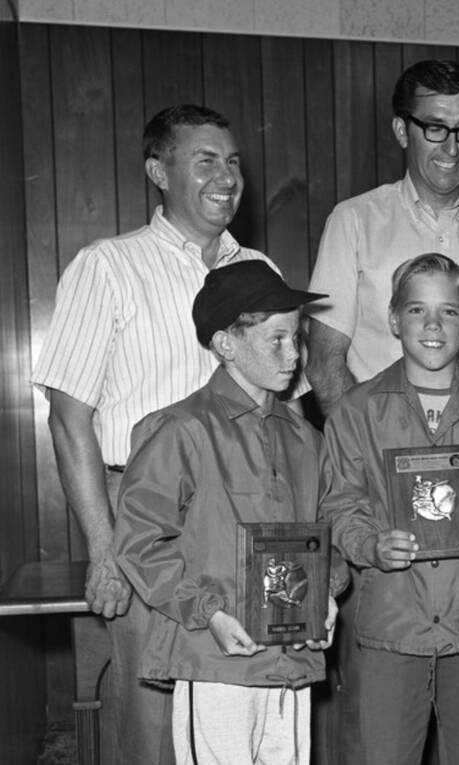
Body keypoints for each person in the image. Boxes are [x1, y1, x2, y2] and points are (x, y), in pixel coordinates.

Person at [30, 104, 276, 765]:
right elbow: (69, 415)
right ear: (156, 171)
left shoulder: (258, 268)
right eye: (205, 161)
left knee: (240, 701)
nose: (226, 177)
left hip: (246, 513)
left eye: (232, 162)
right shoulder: (108, 266)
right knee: (153, 712)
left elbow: (283, 410)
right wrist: (106, 548)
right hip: (148, 516)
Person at [320, 253, 459, 765]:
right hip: (393, 621)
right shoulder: (357, 411)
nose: (433, 325)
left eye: (448, 312)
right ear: (394, 319)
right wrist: (370, 545)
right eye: (418, 310)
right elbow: (340, 504)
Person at [113, 261, 341, 764]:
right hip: (216, 659)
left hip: (290, 662)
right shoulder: (182, 430)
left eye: (297, 339)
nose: (294, 354)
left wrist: (326, 589)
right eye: (276, 339)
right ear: (226, 343)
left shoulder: (305, 438)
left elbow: (328, 528)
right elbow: (140, 541)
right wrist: (208, 612)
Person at [306, 58, 459, 410]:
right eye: (435, 128)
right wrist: (363, 447)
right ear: (402, 131)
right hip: (378, 448)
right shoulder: (352, 222)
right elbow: (325, 365)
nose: (451, 148)